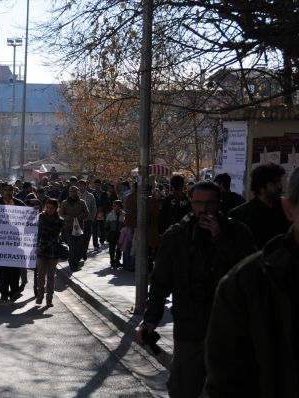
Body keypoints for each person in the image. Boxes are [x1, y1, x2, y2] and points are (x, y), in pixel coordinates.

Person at [135, 181, 256, 398]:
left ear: (218, 204)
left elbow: (249, 273)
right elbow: (161, 282)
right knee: (184, 387)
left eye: (210, 203)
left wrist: (220, 238)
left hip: (230, 327)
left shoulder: (237, 232)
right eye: (198, 203)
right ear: (191, 203)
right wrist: (150, 319)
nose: (204, 209)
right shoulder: (176, 235)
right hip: (190, 325)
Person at [205, 167, 299, 397]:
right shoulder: (243, 284)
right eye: (275, 182)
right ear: (289, 210)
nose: (278, 187)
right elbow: (227, 381)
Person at [229, 163, 290, 249]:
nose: (280, 186)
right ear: (261, 186)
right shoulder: (241, 214)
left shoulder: (285, 208)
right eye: (274, 182)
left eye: (279, 181)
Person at [0, 182, 26, 301]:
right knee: (3, 271)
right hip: (0, 242)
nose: (8, 192)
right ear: (1, 191)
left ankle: (14, 291)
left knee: (14, 270)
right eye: (5, 190)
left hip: (15, 242)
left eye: (10, 190)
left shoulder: (19, 203)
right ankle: (4, 293)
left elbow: (27, 217)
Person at [35, 198, 64, 307]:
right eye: (47, 207)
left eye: (52, 208)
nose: (49, 210)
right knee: (40, 275)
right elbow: (37, 233)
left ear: (56, 208)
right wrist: (36, 245)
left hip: (52, 251)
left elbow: (54, 237)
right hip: (41, 251)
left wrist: (41, 247)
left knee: (51, 276)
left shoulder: (59, 220)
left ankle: (49, 299)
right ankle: (40, 296)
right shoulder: (41, 217)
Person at [59, 185, 89, 272]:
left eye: (75, 191)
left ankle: (75, 261)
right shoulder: (64, 203)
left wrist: (79, 217)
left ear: (77, 192)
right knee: (72, 246)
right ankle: (73, 263)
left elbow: (87, 213)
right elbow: (61, 214)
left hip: (79, 227)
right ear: (69, 192)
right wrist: (69, 217)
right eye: (71, 191)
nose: (73, 193)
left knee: (78, 246)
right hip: (68, 227)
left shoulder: (82, 202)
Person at [77, 180, 97, 261]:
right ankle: (78, 254)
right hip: (77, 221)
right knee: (78, 238)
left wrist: (92, 218)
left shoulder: (90, 196)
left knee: (86, 238)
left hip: (87, 221)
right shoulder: (75, 195)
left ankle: (84, 252)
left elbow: (94, 208)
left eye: (82, 185)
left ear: (86, 186)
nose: (81, 187)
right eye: (79, 185)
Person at [105, 200, 125, 268]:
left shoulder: (124, 214)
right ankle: (112, 260)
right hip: (112, 233)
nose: (114, 207)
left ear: (119, 206)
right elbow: (106, 224)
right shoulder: (110, 215)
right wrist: (108, 232)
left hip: (120, 233)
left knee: (119, 248)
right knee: (112, 248)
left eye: (116, 206)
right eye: (113, 206)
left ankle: (117, 260)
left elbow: (125, 224)